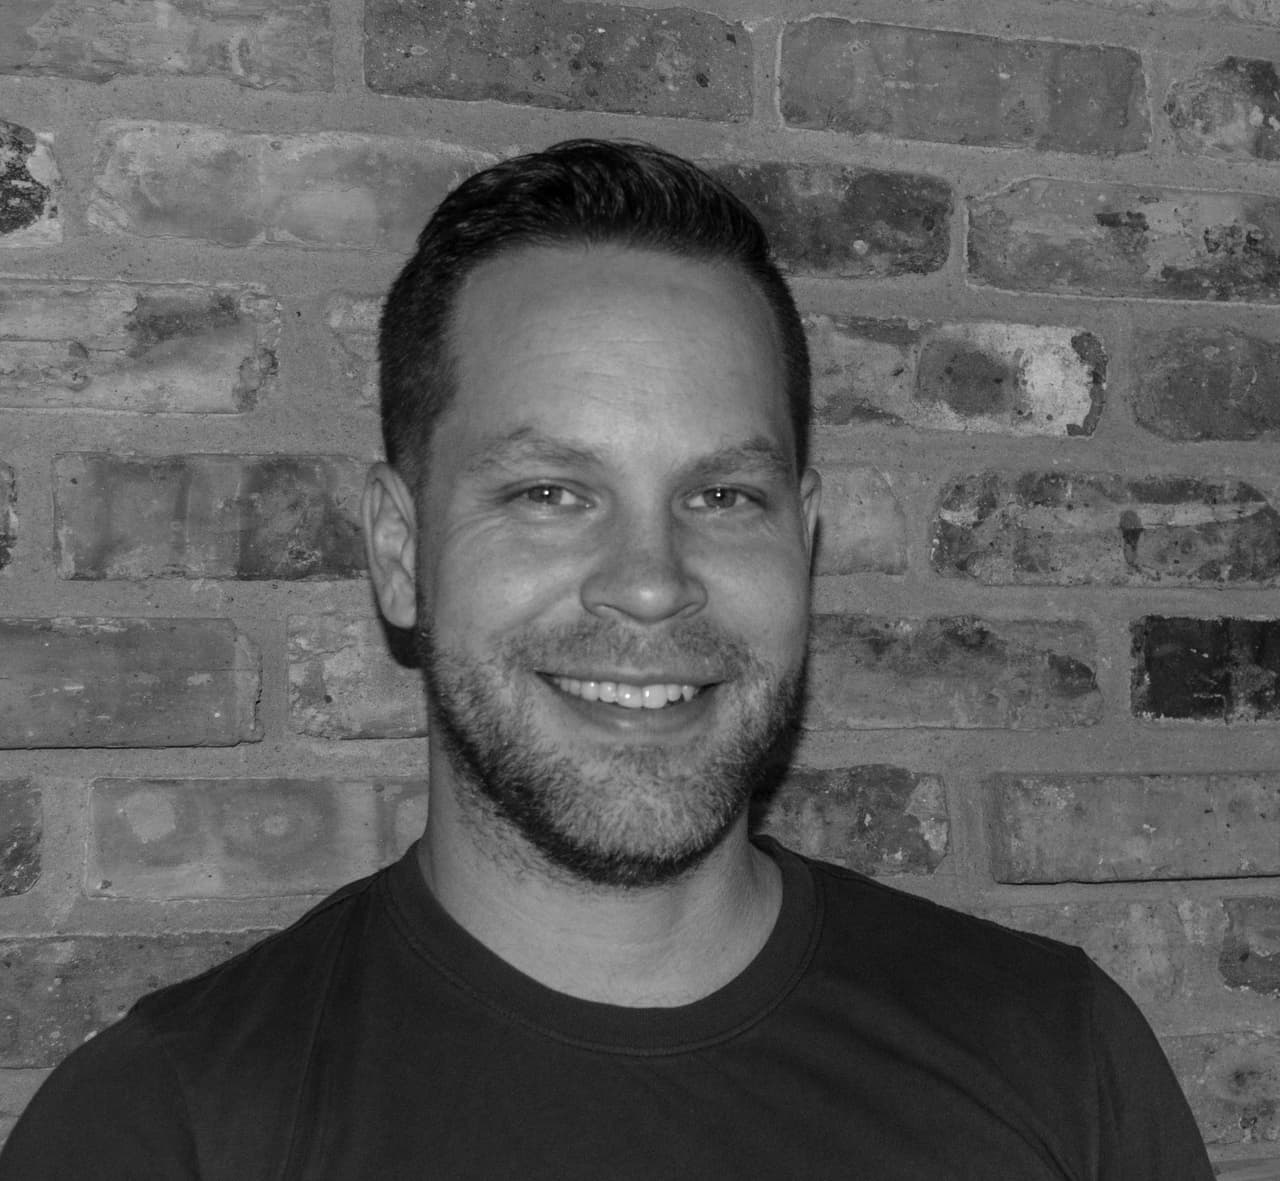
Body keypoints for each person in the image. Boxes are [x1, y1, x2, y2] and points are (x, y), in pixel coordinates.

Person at [0, 140, 1214, 1180]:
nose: (648, 579)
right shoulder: (164, 1130)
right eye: (549, 492)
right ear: (400, 551)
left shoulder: (1057, 1055)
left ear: (802, 544)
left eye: (722, 495)